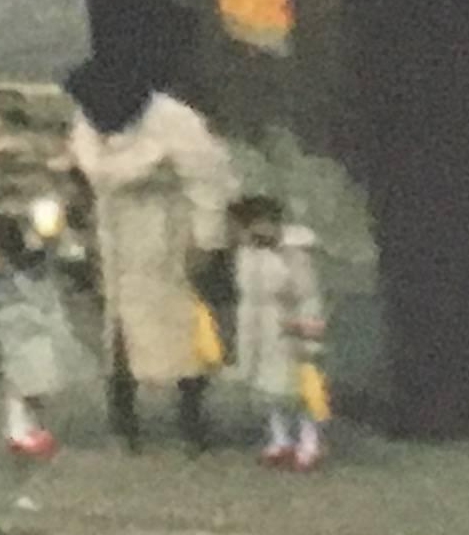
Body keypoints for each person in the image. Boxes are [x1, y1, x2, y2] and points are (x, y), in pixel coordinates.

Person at [64, 48, 239, 450]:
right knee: (119, 329)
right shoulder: (91, 117)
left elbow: (209, 184)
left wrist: (207, 242)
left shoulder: (176, 122)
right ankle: (123, 413)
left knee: (180, 330)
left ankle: (191, 416)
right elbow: (84, 169)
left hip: (165, 233)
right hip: (114, 235)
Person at [0, 207, 77, 459]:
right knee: (19, 386)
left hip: (22, 333)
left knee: (28, 385)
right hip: (10, 335)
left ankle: (26, 428)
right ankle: (19, 432)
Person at [229, 191, 331, 470]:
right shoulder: (248, 252)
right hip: (258, 325)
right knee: (267, 387)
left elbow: (308, 292)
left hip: (288, 324)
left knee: (299, 385)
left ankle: (309, 442)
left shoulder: (294, 253)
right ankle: (280, 439)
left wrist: (307, 327)